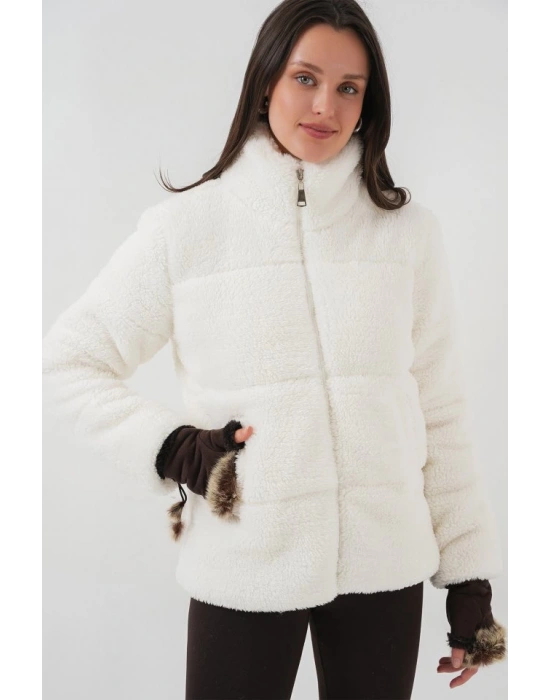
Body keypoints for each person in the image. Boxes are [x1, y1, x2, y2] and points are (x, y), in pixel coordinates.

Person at [41, 0, 507, 697]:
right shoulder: (186, 230)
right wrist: (172, 448)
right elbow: (68, 362)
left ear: (369, 103)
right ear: (266, 82)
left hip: (386, 566)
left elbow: (439, 409)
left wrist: (469, 580)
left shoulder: (407, 235)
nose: (326, 106)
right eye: (305, 78)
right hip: (247, 562)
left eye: (349, 88)